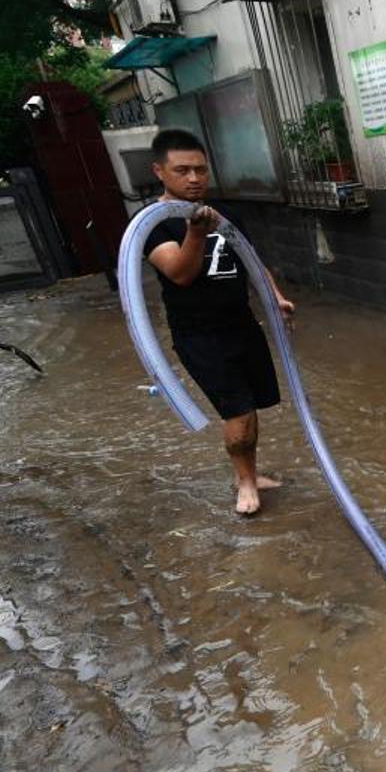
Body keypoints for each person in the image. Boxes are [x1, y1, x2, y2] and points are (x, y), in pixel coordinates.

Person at [142, 128, 295, 516]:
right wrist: (195, 233)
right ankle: (244, 482)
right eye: (182, 171)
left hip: (241, 326)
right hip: (200, 336)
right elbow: (179, 273)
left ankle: (251, 473)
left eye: (200, 170)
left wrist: (275, 298)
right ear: (159, 171)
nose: (194, 179)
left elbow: (251, 261)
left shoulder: (226, 215)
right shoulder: (152, 223)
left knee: (253, 407)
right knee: (237, 412)